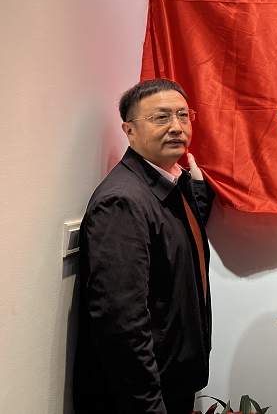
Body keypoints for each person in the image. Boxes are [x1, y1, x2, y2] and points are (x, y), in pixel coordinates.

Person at [74, 79, 215, 414]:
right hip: (147, 396)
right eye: (161, 117)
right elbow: (121, 323)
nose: (177, 127)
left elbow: (175, 237)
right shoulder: (122, 202)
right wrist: (149, 406)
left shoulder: (169, 183)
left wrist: (196, 188)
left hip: (173, 382)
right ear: (129, 131)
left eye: (183, 115)